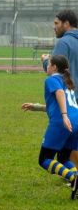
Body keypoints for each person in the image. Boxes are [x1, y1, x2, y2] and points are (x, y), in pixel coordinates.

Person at [21, 55, 78, 198]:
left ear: (54, 67)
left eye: (49, 64)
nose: (46, 66)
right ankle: (75, 177)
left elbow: (59, 95)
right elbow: (60, 104)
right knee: (64, 159)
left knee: (44, 159)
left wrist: (64, 116)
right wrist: (37, 107)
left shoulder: (52, 79)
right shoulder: (67, 81)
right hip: (76, 121)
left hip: (63, 122)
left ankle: (74, 178)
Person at [42, 10, 78, 84]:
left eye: (56, 23)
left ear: (66, 24)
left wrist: (45, 60)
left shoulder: (63, 43)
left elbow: (53, 70)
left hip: (68, 93)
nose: (54, 27)